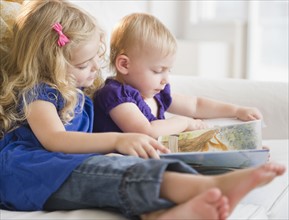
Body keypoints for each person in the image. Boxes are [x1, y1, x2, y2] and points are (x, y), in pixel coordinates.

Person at [0, 1, 285, 220]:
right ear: (48, 63)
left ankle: (166, 210)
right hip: (28, 172)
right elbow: (55, 140)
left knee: (120, 167)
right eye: (83, 66)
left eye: (93, 62)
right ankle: (208, 187)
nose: (93, 72)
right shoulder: (38, 94)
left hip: (60, 169)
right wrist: (117, 140)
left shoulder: (79, 93)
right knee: (108, 170)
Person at [92, 13, 263, 139]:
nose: (165, 79)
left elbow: (196, 105)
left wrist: (236, 110)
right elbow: (147, 131)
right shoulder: (115, 95)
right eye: (158, 70)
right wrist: (185, 123)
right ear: (124, 65)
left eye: (169, 70)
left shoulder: (157, 93)